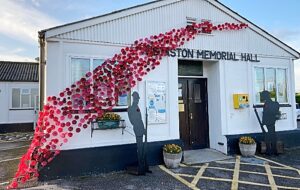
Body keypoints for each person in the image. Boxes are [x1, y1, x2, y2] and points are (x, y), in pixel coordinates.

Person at [128, 91, 146, 174]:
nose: (137, 100)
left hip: (141, 128)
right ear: (133, 99)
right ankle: (141, 165)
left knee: (142, 147)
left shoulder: (137, 107)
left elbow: (141, 119)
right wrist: (140, 128)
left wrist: (144, 129)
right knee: (139, 147)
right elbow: (133, 121)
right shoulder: (131, 108)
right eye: (136, 99)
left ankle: (143, 164)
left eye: (138, 99)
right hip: (137, 128)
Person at [261, 90, 280, 155]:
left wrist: (263, 123)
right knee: (273, 136)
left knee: (267, 136)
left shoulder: (267, 104)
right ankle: (275, 150)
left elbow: (265, 114)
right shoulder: (273, 103)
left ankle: (269, 151)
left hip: (267, 123)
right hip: (272, 122)